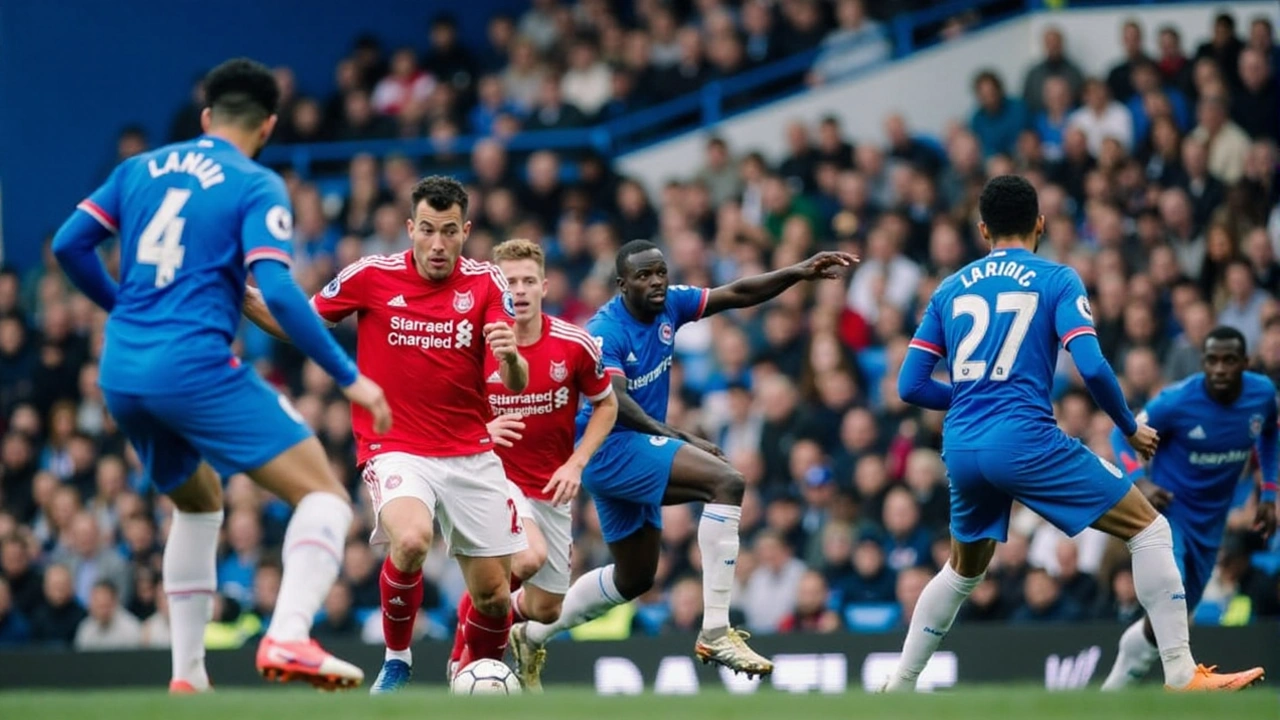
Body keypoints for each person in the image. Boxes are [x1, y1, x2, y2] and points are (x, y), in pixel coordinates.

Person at [51, 58, 391, 693]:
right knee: (325, 496)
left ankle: (188, 678)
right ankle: (289, 633)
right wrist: (349, 377)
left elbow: (70, 244)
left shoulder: (138, 169)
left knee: (200, 501)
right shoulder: (255, 182)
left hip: (122, 372)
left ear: (206, 118)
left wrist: (125, 307)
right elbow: (282, 293)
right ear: (267, 125)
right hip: (193, 366)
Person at [884, 174, 1264, 692]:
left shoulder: (949, 288)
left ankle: (899, 684)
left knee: (962, 570)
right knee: (1149, 529)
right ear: (1040, 223)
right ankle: (1180, 672)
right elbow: (1092, 364)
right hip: (1023, 439)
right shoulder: (1056, 278)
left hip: (963, 446)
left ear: (982, 229)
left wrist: (974, 397)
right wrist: (1129, 427)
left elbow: (909, 385)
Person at [508, 239, 856, 685]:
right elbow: (614, 400)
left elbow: (737, 293)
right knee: (726, 483)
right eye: (644, 276)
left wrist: (798, 271)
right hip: (610, 448)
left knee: (634, 579)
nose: (656, 282)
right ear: (621, 284)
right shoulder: (605, 331)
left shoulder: (670, 305)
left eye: (660, 272)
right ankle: (715, 630)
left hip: (632, 449)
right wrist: (678, 435)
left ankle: (532, 635)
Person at [242, 175, 530, 694]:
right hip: (395, 446)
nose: (437, 244)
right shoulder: (371, 276)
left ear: (465, 231)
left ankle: (474, 679)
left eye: (448, 231)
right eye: (426, 230)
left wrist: (511, 356)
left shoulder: (489, 283)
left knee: (491, 596)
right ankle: (397, 660)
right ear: (409, 229)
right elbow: (300, 324)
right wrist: (238, 293)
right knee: (413, 538)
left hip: (469, 449)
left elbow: (515, 380)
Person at [445, 238, 618, 690]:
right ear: (495, 289)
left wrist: (577, 463)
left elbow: (606, 406)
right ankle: (463, 659)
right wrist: (484, 433)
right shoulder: (471, 345)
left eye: (527, 281)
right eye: (508, 282)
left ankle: (498, 622)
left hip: (550, 487)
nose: (518, 291)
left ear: (544, 285)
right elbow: (441, 413)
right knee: (528, 556)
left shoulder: (574, 344)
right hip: (489, 477)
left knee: (545, 609)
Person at [1101, 327, 1277, 688]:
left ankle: (1111, 694)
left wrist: (1271, 494)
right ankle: (1186, 679)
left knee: (1168, 617)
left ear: (1244, 363)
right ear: (1203, 363)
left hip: (1211, 525)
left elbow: (1271, 434)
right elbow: (1120, 432)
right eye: (1212, 360)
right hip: (1169, 514)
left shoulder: (1262, 395)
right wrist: (1140, 480)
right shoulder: (1177, 401)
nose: (1220, 368)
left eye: (1229, 360)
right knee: (1172, 592)